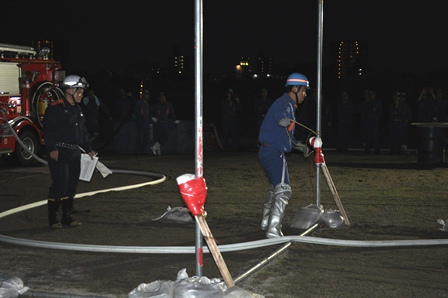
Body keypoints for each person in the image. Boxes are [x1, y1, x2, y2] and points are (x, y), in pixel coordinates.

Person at [258, 72, 310, 238]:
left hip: (268, 150)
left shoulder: (289, 106)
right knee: (284, 189)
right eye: (303, 91)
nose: (305, 94)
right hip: (273, 152)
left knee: (275, 187)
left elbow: (288, 136)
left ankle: (266, 222)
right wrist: (283, 120)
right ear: (294, 89)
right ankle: (273, 229)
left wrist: (299, 146)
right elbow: (280, 117)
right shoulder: (284, 103)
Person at [43, 75, 96, 228]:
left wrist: (89, 150)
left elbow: (82, 133)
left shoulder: (77, 110)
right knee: (60, 185)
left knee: (71, 185)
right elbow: (49, 130)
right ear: (70, 91)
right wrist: (52, 149)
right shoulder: (55, 108)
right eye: (79, 92)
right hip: (60, 151)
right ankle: (53, 219)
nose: (81, 95)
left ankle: (67, 216)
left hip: (74, 152)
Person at [133, 89, 151, 155]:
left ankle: (144, 151)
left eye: (148, 94)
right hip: (141, 122)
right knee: (140, 137)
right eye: (146, 94)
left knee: (146, 137)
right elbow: (136, 112)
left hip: (146, 122)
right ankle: (137, 151)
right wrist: (140, 117)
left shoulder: (147, 103)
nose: (147, 96)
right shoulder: (139, 102)